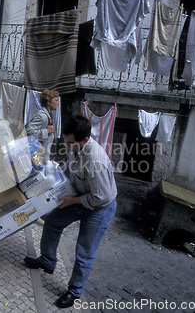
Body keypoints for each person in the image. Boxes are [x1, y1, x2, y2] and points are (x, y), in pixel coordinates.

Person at [24, 115, 117, 308]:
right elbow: (71, 167)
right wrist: (56, 169)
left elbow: (102, 197)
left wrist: (72, 201)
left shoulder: (95, 161)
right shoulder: (76, 146)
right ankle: (48, 261)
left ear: (84, 140)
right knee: (52, 221)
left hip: (99, 208)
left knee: (84, 252)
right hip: (79, 196)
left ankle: (74, 292)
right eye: (65, 141)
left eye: (70, 143)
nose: (67, 145)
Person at [25, 89, 59, 163]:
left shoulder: (48, 115)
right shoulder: (42, 116)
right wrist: (46, 131)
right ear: (48, 102)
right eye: (56, 100)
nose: (58, 103)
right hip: (38, 159)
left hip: (43, 158)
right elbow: (28, 131)